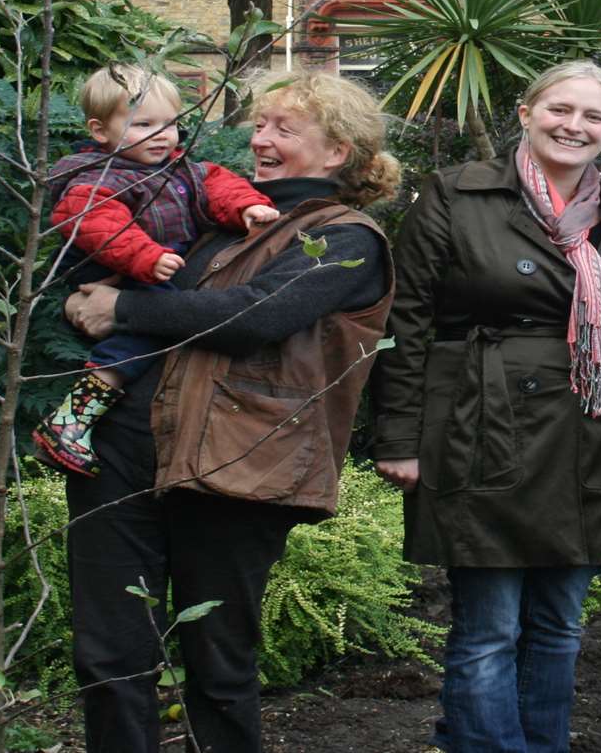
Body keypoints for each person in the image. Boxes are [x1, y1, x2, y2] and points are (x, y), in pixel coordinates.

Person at [59, 69, 400, 753]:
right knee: (109, 654)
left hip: (236, 468)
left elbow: (254, 316)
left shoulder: (345, 238)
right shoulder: (214, 218)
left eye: (282, 127)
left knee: (218, 664)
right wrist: (89, 303)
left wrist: (122, 307)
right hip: (123, 455)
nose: (259, 137)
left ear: (336, 152)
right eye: (260, 123)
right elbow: (120, 289)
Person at [370, 60, 601, 753]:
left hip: (579, 433)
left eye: (592, 116)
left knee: (560, 624)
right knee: (489, 627)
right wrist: (399, 437)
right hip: (477, 423)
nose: (573, 125)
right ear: (526, 112)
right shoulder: (458, 195)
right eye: (560, 108)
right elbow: (407, 320)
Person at [33, 63, 280, 476]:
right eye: (143, 123)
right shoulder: (95, 179)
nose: (162, 134)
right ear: (99, 131)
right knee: (144, 335)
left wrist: (248, 207)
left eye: (170, 123)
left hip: (147, 267)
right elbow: (100, 226)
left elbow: (218, 185)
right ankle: (69, 420)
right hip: (118, 268)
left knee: (153, 326)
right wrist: (145, 258)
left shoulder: (177, 168)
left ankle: (79, 418)